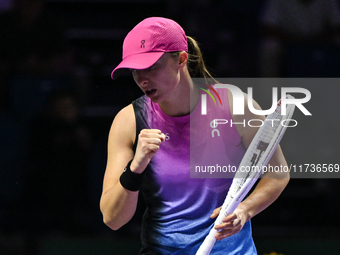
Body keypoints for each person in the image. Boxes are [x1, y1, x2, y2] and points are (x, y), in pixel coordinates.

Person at [100, 17, 289, 254]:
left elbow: (277, 173)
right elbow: (113, 219)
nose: (142, 79)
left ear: (180, 59)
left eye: (151, 66)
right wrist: (136, 167)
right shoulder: (129, 122)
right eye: (135, 71)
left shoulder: (233, 104)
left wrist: (245, 209)